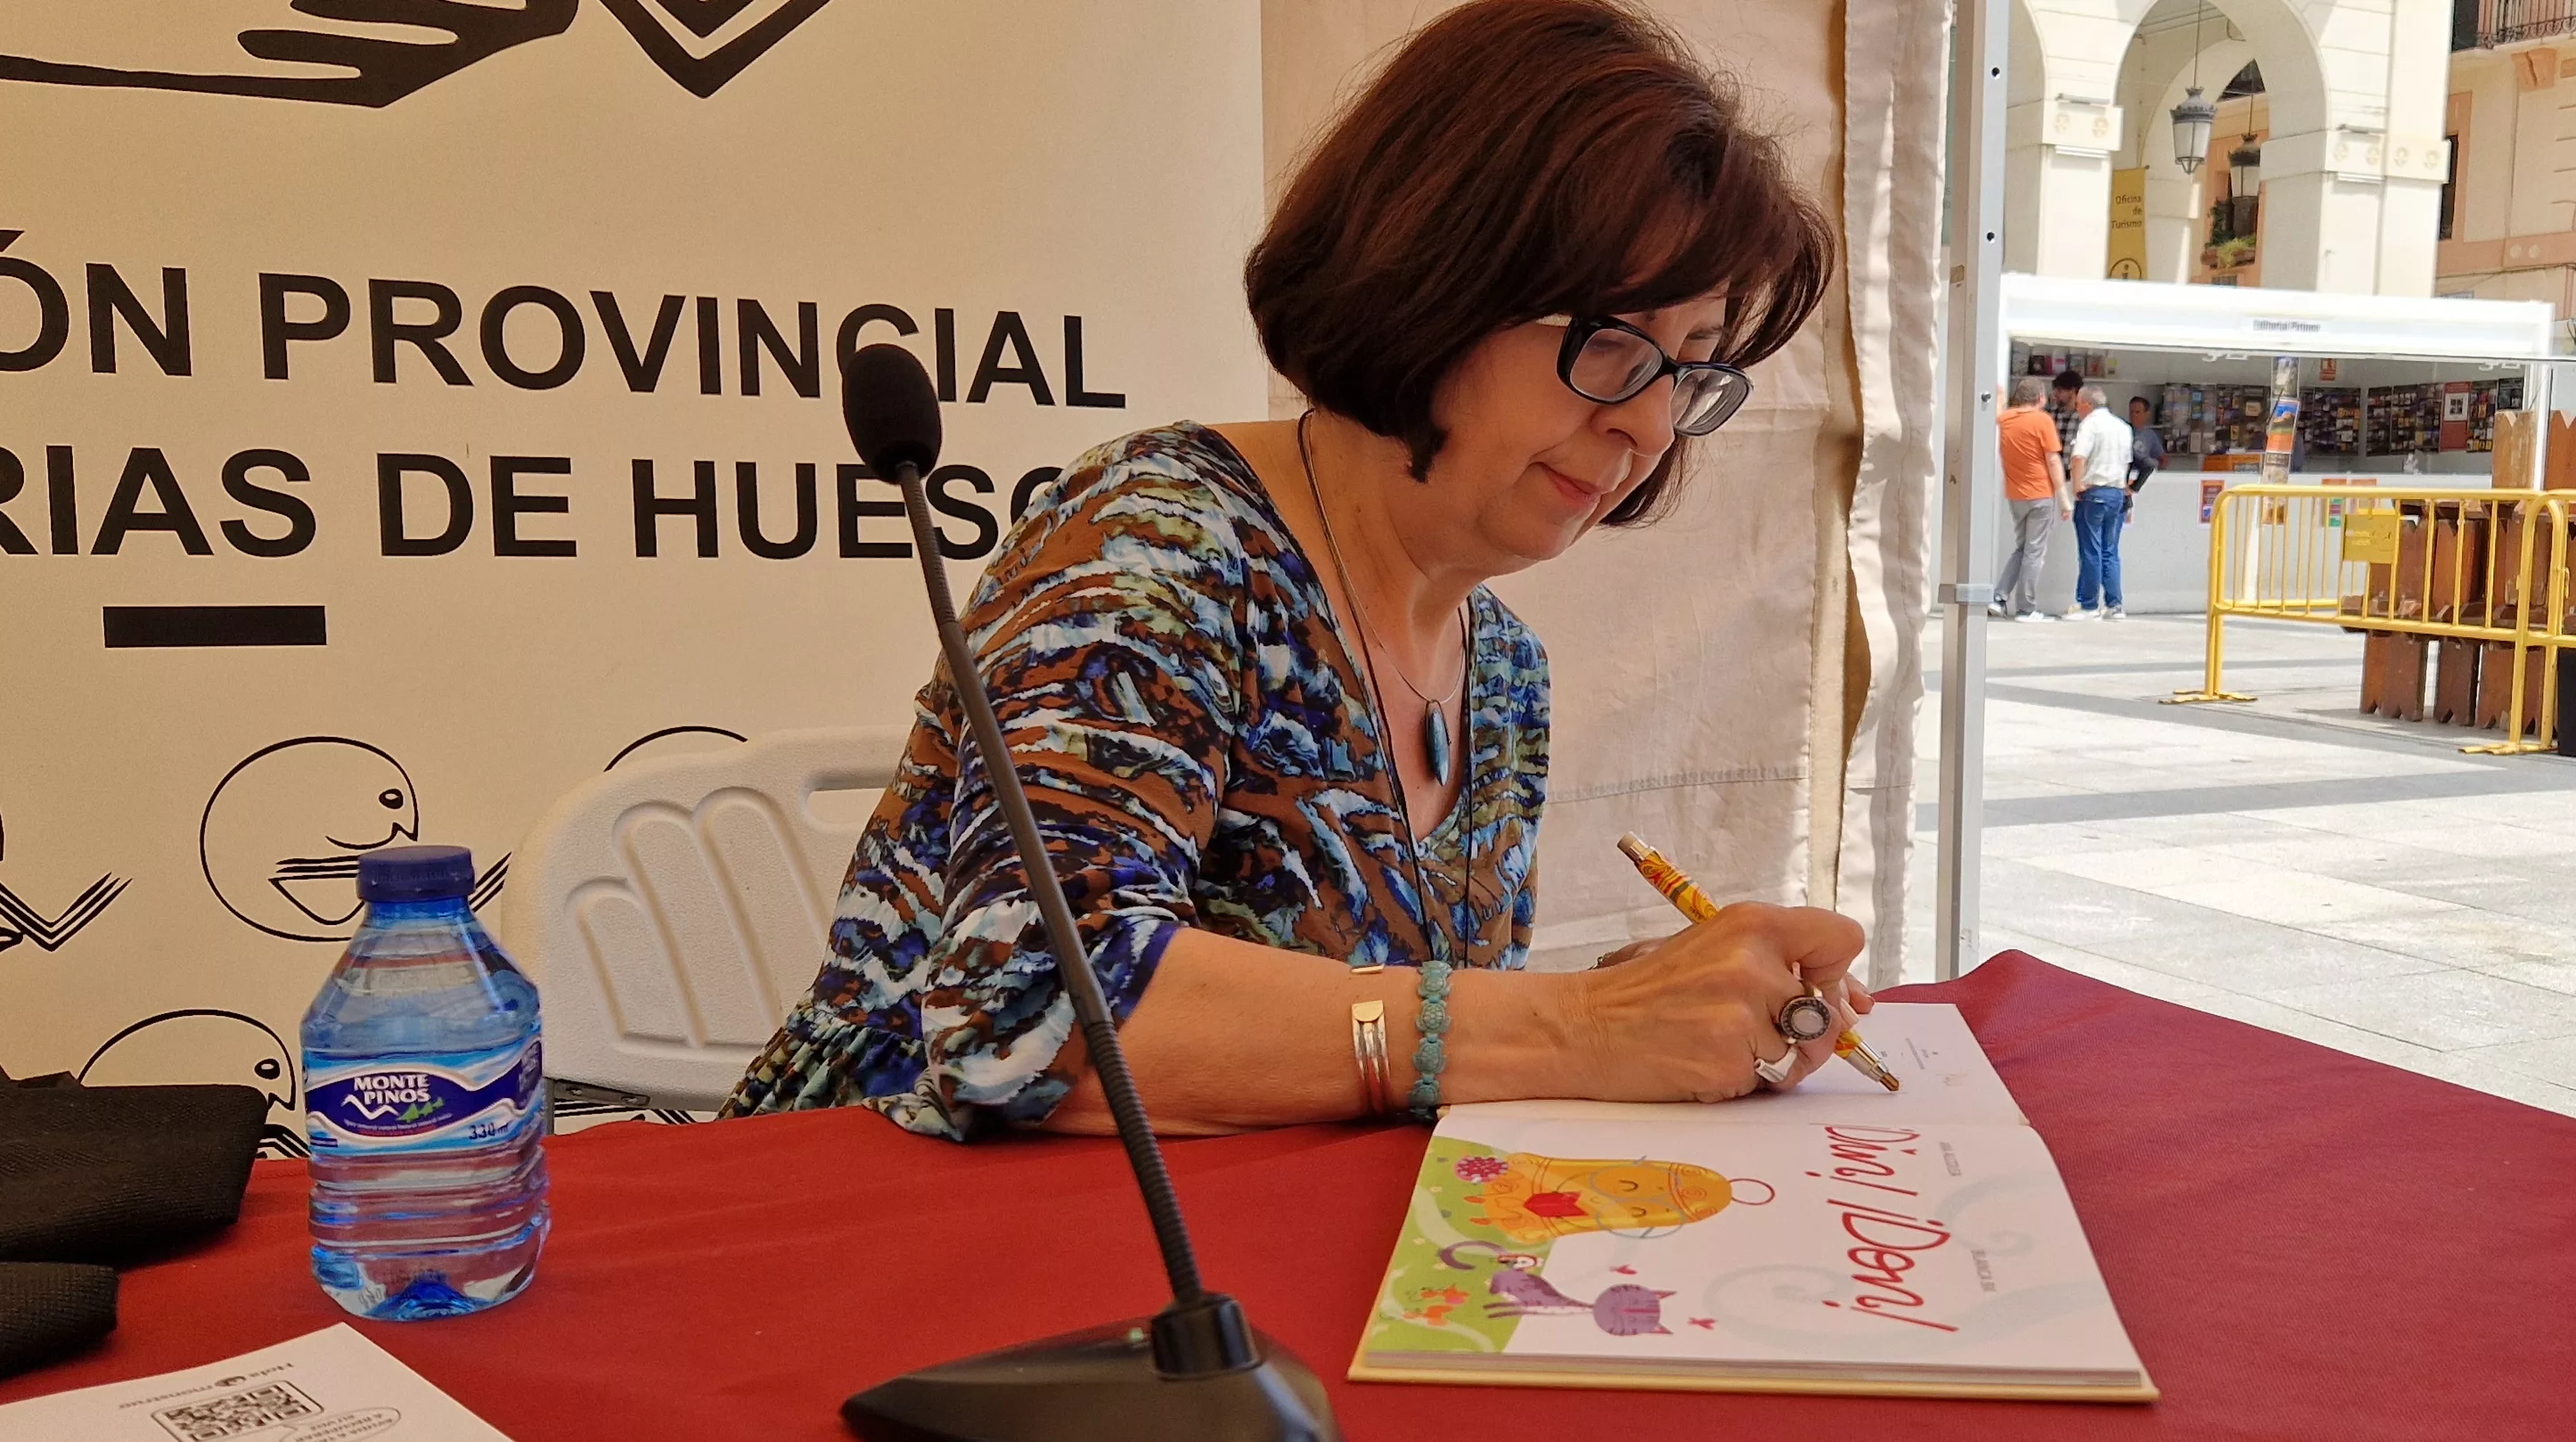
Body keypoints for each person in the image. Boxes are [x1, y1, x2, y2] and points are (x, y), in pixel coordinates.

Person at [726, 0, 1860, 1141]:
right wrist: (1579, 1026)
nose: (1651, 428)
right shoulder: (1158, 539)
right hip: (874, 1208)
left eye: (1690, 369)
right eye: (1611, 342)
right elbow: (1024, 1022)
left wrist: (1667, 1007)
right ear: (1438, 281)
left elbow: (1409, 1044)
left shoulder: (1505, 671)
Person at [1992, 375, 2066, 621]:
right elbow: (2053, 461)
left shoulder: (2005, 419)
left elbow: (1998, 412)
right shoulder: (2042, 420)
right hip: (2040, 493)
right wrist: (2064, 498)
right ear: (2040, 398)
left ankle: (1999, 597)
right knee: (2034, 552)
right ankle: (2026, 608)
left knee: (2023, 548)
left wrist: (1999, 397)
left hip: (2016, 495)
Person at [2065, 386, 2132, 619]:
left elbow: (2078, 457)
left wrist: (2076, 486)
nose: (2077, 409)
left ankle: (2089, 605)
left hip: (2094, 492)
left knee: (2090, 551)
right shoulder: (2123, 427)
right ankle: (2115, 605)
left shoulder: (2090, 424)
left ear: (2087, 404)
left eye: (2078, 404)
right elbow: (2127, 463)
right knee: (2110, 551)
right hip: (2117, 493)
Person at [2123, 395, 2164, 494]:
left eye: (2137, 412)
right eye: (2131, 412)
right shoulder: (2122, 429)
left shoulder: (2150, 434)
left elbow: (2162, 458)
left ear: (2146, 414)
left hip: (2140, 472)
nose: (2134, 415)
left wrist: (2161, 474)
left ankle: (2133, 489)